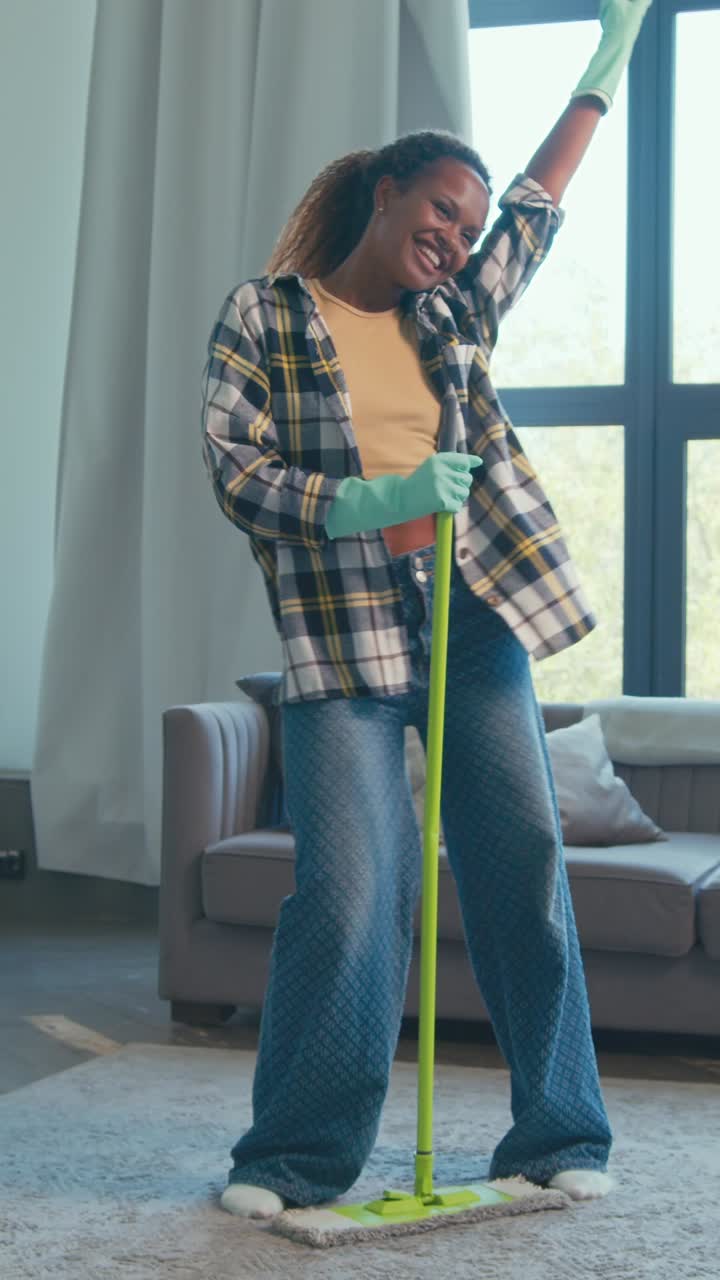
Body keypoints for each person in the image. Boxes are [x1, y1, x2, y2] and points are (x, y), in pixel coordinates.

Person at [201, 0, 653, 1219]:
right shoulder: (268, 314)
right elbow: (235, 468)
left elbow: (538, 208)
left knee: (520, 864)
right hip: (341, 642)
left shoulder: (453, 316)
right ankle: (290, 1159)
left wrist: (604, 66)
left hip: (473, 620)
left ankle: (558, 1130)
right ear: (386, 194)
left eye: (465, 219)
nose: (455, 235)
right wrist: (370, 502)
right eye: (437, 209)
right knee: (349, 892)